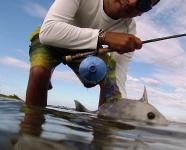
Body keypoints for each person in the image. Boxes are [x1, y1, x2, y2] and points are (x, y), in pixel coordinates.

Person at [26, 0, 160, 107]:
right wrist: (104, 37)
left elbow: (117, 78)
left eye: (143, 3)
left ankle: (103, 136)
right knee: (39, 72)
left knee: (110, 84)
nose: (132, 2)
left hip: (87, 48)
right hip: (52, 37)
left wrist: (118, 105)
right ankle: (30, 133)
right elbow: (49, 31)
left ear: (141, 13)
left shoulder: (129, 30)